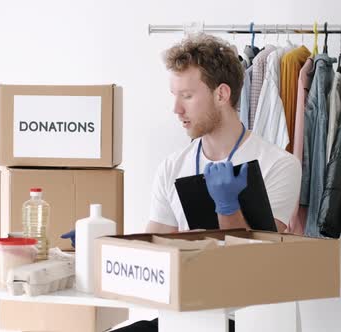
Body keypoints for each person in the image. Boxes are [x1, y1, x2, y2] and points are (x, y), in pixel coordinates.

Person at [113, 33, 301, 332]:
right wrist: (103, 245)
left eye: (186, 96)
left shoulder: (278, 165)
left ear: (221, 95)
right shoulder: (172, 167)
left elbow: (254, 269)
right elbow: (155, 252)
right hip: (185, 315)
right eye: (173, 95)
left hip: (246, 320)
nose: (176, 108)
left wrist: (227, 207)